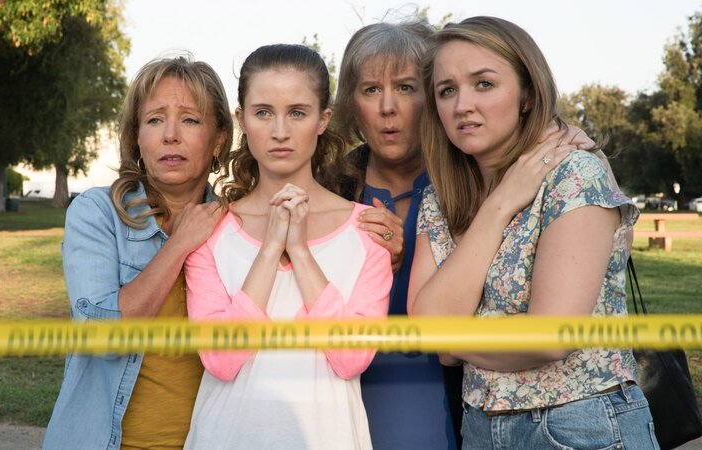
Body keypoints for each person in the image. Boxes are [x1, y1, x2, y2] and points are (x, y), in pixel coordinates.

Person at [409, 16, 657, 449]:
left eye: (484, 84)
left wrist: (450, 338)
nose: (462, 104)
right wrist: (500, 204)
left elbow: (550, 336)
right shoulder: (440, 197)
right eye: (447, 90)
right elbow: (424, 325)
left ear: (526, 95)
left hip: (581, 425)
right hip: (480, 427)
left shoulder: (573, 174)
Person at [183, 44, 392, 450]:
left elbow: (351, 359)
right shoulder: (210, 230)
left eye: (297, 112)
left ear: (322, 119)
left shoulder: (368, 231)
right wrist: (269, 249)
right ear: (242, 120)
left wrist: (299, 250)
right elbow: (220, 361)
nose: (280, 131)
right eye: (263, 113)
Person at [43, 56, 233, 450]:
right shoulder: (97, 213)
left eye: (190, 120)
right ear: (137, 138)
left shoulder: (238, 226)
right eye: (155, 119)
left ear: (218, 139)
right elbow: (102, 337)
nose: (170, 135)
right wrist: (179, 244)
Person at [331, 19, 460, 450]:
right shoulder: (326, 188)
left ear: (434, 95)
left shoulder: (470, 184)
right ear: (351, 104)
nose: (387, 107)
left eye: (405, 87)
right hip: (340, 406)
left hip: (454, 405)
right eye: (371, 90)